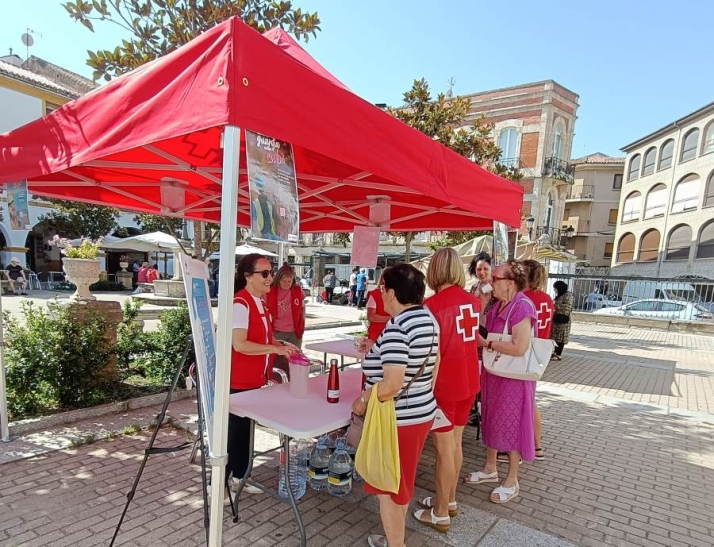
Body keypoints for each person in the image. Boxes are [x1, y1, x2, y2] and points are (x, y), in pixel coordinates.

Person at [351, 264, 439, 547]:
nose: (379, 294)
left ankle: (396, 544)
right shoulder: (426, 318)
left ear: (391, 292)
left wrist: (363, 400)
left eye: (381, 288)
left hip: (397, 419)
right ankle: (394, 540)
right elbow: (432, 365)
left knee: (387, 488)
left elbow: (391, 385)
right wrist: (377, 348)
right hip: (422, 410)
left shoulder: (399, 327)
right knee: (401, 483)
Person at [415, 249, 481, 533]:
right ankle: (449, 500)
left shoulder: (431, 306)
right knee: (456, 444)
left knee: (444, 451)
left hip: (444, 385)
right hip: (469, 381)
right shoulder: (474, 302)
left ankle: (440, 512)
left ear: (434, 271)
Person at [465, 259, 537, 505]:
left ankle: (512, 479)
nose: (490, 281)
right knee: (492, 418)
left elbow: (520, 346)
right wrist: (483, 306)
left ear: (511, 282)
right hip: (495, 373)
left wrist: (488, 344)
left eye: (496, 278)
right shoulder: (498, 305)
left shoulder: (522, 307)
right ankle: (490, 467)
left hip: (513, 379)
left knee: (511, 424)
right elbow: (484, 329)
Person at [228, 254, 297, 494]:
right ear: (248, 276)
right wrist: (274, 348)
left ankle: (240, 475)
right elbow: (240, 344)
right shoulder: (241, 303)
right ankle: (225, 482)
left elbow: (262, 337)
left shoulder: (260, 302)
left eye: (271, 272)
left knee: (246, 431)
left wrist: (280, 344)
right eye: (265, 273)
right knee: (235, 433)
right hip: (239, 380)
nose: (271, 278)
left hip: (256, 379)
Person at [522, 259, 554, 462]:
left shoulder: (523, 299)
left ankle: (529, 446)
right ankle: (537, 445)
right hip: (540, 354)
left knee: (526, 403)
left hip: (524, 354)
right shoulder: (547, 299)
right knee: (531, 401)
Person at [267, 265, 305, 379]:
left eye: (290, 281)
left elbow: (303, 308)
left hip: (294, 332)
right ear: (278, 280)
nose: (287, 283)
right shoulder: (270, 291)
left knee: (294, 359)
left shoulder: (297, 290)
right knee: (277, 360)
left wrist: (302, 324)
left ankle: (293, 381)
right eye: (284, 281)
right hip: (277, 331)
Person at [366, 268, 391, 342]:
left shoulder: (401, 295)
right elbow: (371, 316)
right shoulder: (375, 294)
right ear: (383, 278)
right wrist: (391, 318)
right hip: (377, 336)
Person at [551, 281, 574, 361]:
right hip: (556, 319)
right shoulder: (559, 295)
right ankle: (554, 353)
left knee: (561, 337)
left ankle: (558, 354)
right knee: (556, 337)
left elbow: (567, 307)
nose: (554, 290)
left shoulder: (568, 295)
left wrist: (555, 305)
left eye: (555, 288)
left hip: (563, 319)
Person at [469, 252, 497, 317]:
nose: (482, 272)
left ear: (491, 269)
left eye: (485, 269)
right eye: (479, 269)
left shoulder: (496, 286)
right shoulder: (474, 287)